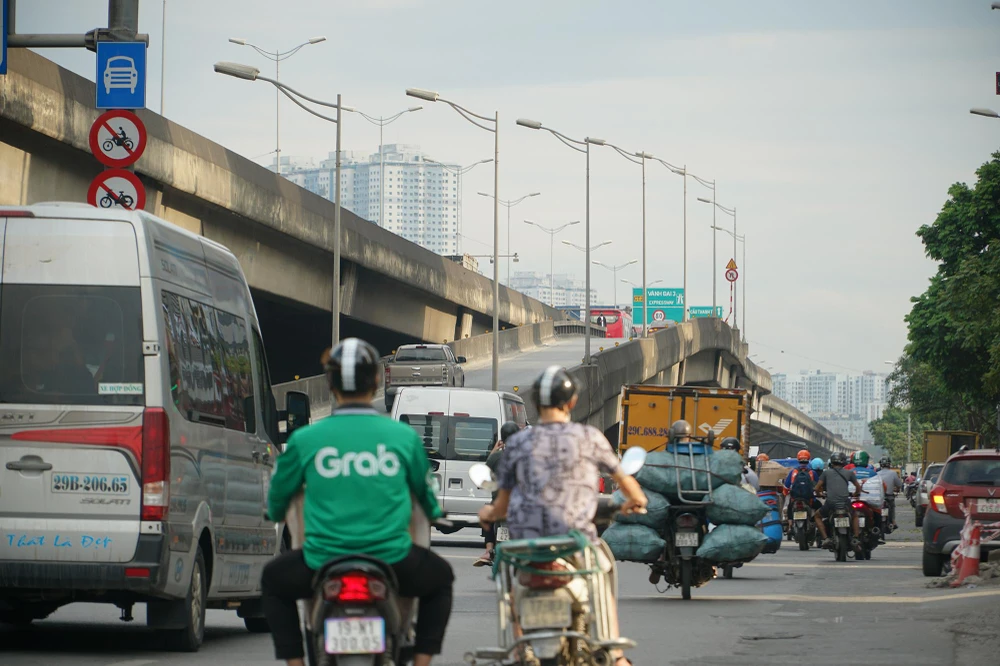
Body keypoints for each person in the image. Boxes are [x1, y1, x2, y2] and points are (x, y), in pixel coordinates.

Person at [261, 339, 454, 666]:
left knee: (272, 581)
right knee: (441, 580)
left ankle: (295, 663)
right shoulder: (402, 437)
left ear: (330, 384)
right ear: (377, 382)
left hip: (321, 560)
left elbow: (279, 495)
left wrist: (275, 512)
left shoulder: (306, 439)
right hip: (392, 557)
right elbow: (426, 496)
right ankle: (421, 662)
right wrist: (437, 514)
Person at [477, 365, 647, 666]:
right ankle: (615, 654)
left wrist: (488, 513)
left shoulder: (517, 443)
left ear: (536, 404)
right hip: (575, 543)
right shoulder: (589, 437)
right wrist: (634, 501)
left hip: (525, 546)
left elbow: (501, 506)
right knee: (603, 571)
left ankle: (515, 647)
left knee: (506, 579)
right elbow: (628, 485)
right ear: (571, 402)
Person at [474, 421, 522, 567]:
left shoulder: (496, 457)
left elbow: (483, 478)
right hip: (520, 505)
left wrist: (494, 451)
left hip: (499, 506)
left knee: (486, 516)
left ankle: (489, 551)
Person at [813, 451, 864, 551]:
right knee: (855, 516)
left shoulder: (826, 473)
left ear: (832, 462)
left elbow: (817, 488)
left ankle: (825, 538)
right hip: (845, 503)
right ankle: (856, 538)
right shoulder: (849, 473)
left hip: (830, 503)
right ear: (844, 462)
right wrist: (855, 494)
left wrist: (820, 494)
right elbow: (858, 487)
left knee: (817, 516)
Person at [783, 450, 820, 525]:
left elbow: (786, 486)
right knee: (820, 507)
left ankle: (790, 526)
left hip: (795, 499)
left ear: (798, 459)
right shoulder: (813, 473)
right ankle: (815, 523)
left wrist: (785, 493)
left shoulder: (793, 472)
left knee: (789, 508)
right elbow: (818, 486)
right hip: (809, 500)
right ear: (809, 459)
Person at [877, 458, 903, 530]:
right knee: (892, 506)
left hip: (879, 497)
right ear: (889, 464)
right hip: (889, 496)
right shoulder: (893, 473)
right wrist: (897, 489)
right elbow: (899, 484)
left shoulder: (877, 474)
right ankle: (893, 522)